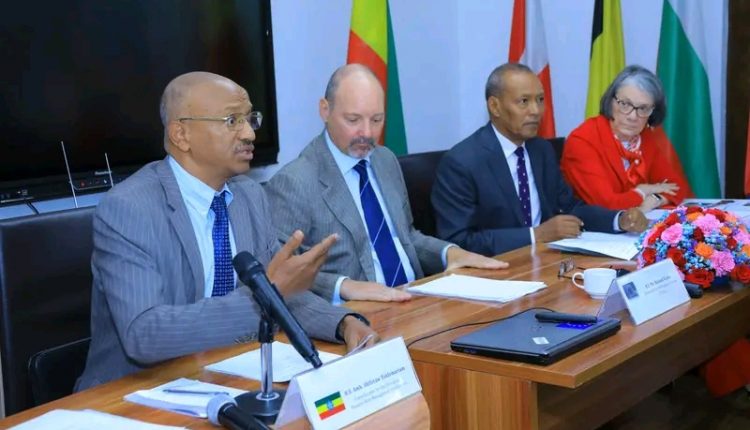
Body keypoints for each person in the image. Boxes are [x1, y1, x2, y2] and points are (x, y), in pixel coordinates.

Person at [77, 72, 376, 390]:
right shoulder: (129, 208)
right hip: (132, 392)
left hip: (223, 374)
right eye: (232, 121)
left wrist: (344, 323)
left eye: (250, 119)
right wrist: (266, 297)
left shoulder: (249, 196)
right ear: (181, 134)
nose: (249, 133)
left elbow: (281, 291)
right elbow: (144, 334)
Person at [265, 64, 507, 304]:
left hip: (414, 299)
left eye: (377, 119)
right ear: (325, 110)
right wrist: (343, 286)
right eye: (353, 120)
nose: (367, 133)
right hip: (356, 314)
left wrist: (450, 253)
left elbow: (406, 237)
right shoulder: (294, 182)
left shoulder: (384, 159)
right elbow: (280, 273)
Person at [431, 63, 648, 257]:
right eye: (524, 101)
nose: (536, 111)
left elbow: (570, 208)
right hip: (498, 270)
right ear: (495, 106)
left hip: (546, 260)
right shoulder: (462, 162)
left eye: (540, 100)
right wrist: (536, 235)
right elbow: (459, 242)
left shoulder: (540, 150)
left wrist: (619, 220)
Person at [561, 65, 690, 212]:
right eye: (625, 104)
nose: (633, 116)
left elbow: (677, 186)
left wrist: (653, 200)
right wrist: (643, 190)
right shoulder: (583, 140)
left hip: (634, 223)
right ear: (610, 102)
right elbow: (607, 205)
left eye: (643, 108)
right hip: (592, 225)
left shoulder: (644, 136)